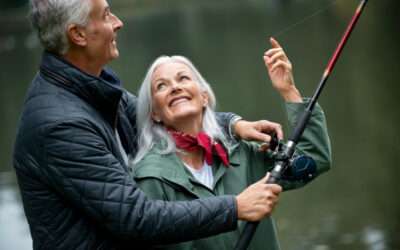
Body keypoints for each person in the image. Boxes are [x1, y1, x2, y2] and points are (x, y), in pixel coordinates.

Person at [13, 0, 288, 249]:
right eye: (106, 15)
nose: (118, 22)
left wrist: (232, 125)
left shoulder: (96, 89)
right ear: (78, 35)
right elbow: (136, 217)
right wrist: (235, 207)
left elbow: (166, 115)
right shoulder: (60, 126)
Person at [132, 38, 332, 250]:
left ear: (204, 97)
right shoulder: (149, 176)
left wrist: (289, 91)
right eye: (161, 86)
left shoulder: (240, 153)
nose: (175, 87)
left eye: (183, 78)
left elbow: (314, 161)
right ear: (155, 113)